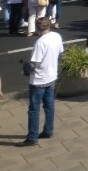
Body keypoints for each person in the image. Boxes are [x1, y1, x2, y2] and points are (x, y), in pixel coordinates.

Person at [18, 17, 64, 147]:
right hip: (51, 76)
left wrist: (25, 68)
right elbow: (60, 53)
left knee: (34, 109)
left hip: (38, 80)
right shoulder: (56, 36)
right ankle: (48, 130)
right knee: (49, 106)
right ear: (49, 26)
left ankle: (32, 137)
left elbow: (34, 63)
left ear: (38, 28)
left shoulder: (40, 42)